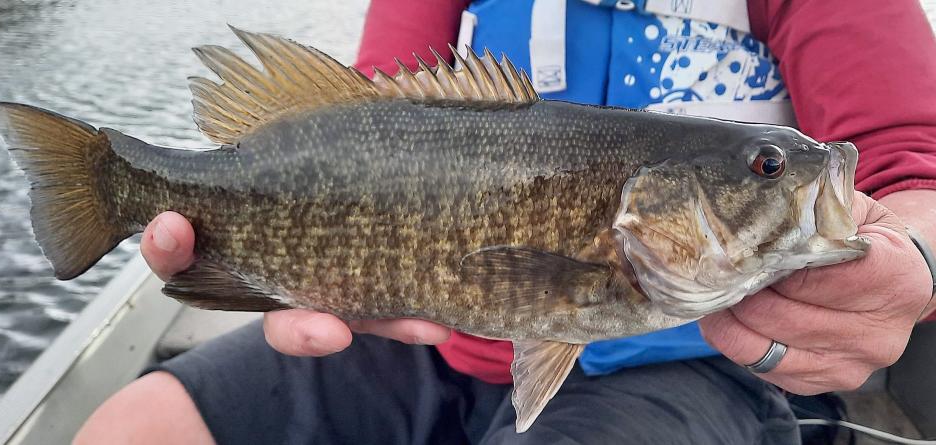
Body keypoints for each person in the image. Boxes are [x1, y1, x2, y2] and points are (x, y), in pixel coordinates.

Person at [75, 0, 936, 443]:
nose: (780, 177)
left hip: (694, 365)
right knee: (134, 425)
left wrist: (915, 256)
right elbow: (368, 122)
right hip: (418, 336)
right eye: (768, 169)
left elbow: (911, 162)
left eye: (764, 170)